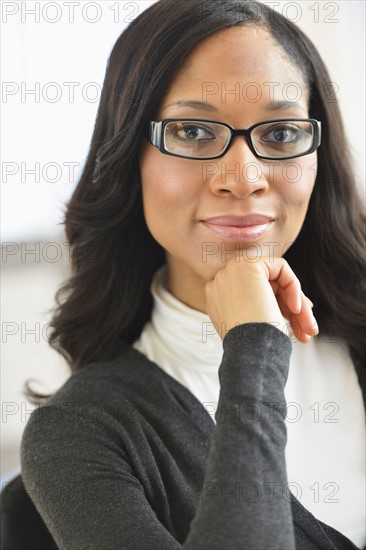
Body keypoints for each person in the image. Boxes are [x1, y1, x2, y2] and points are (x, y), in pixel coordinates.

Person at [13, 0, 366, 548]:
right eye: (194, 133)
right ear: (132, 155)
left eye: (279, 134)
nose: (243, 177)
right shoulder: (82, 431)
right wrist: (254, 349)